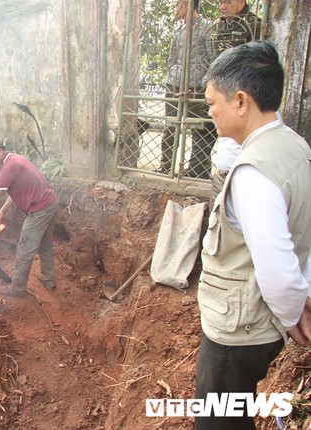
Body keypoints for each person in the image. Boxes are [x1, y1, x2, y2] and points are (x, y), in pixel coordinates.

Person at [195, 41, 311, 429]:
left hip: (238, 332)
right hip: (260, 324)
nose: (209, 112)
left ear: (241, 101)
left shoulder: (253, 174)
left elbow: (276, 267)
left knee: (219, 421)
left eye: (213, 102)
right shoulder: (294, 147)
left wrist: (293, 311)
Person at [0, 136, 58, 297]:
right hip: (50, 204)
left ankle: (17, 289)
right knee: (45, 244)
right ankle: (49, 279)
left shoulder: (8, 167)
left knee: (24, 250)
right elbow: (16, 189)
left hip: (40, 210)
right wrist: (3, 210)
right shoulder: (15, 159)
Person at [156, 0, 216, 179]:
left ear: (189, 5)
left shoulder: (206, 28)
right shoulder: (178, 31)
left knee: (199, 128)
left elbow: (212, 59)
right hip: (175, 84)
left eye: (178, 4)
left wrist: (204, 81)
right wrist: (173, 75)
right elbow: (172, 58)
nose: (176, 8)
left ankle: (198, 169)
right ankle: (166, 165)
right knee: (171, 126)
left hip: (196, 87)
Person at [209, 0, 261, 195]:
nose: (222, 6)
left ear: (241, 2)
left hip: (241, 87)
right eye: (220, 2)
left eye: (227, 2)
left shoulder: (254, 24)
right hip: (221, 86)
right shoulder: (217, 25)